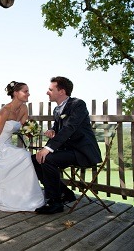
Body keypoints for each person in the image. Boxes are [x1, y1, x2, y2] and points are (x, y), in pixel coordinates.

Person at [32, 76, 102, 214]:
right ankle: (65, 194)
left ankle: (55, 202)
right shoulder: (57, 110)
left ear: (61, 91)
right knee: (35, 159)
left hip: (81, 152)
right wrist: (53, 130)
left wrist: (47, 148)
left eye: (50, 89)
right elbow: (60, 128)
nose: (47, 92)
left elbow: (70, 127)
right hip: (67, 150)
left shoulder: (78, 104)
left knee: (48, 159)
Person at [0, 81, 45, 212]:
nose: (28, 94)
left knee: (25, 156)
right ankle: (12, 196)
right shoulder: (4, 111)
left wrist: (35, 132)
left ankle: (25, 196)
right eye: (25, 91)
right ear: (15, 93)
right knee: (24, 155)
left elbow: (26, 128)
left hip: (7, 145)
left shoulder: (24, 108)